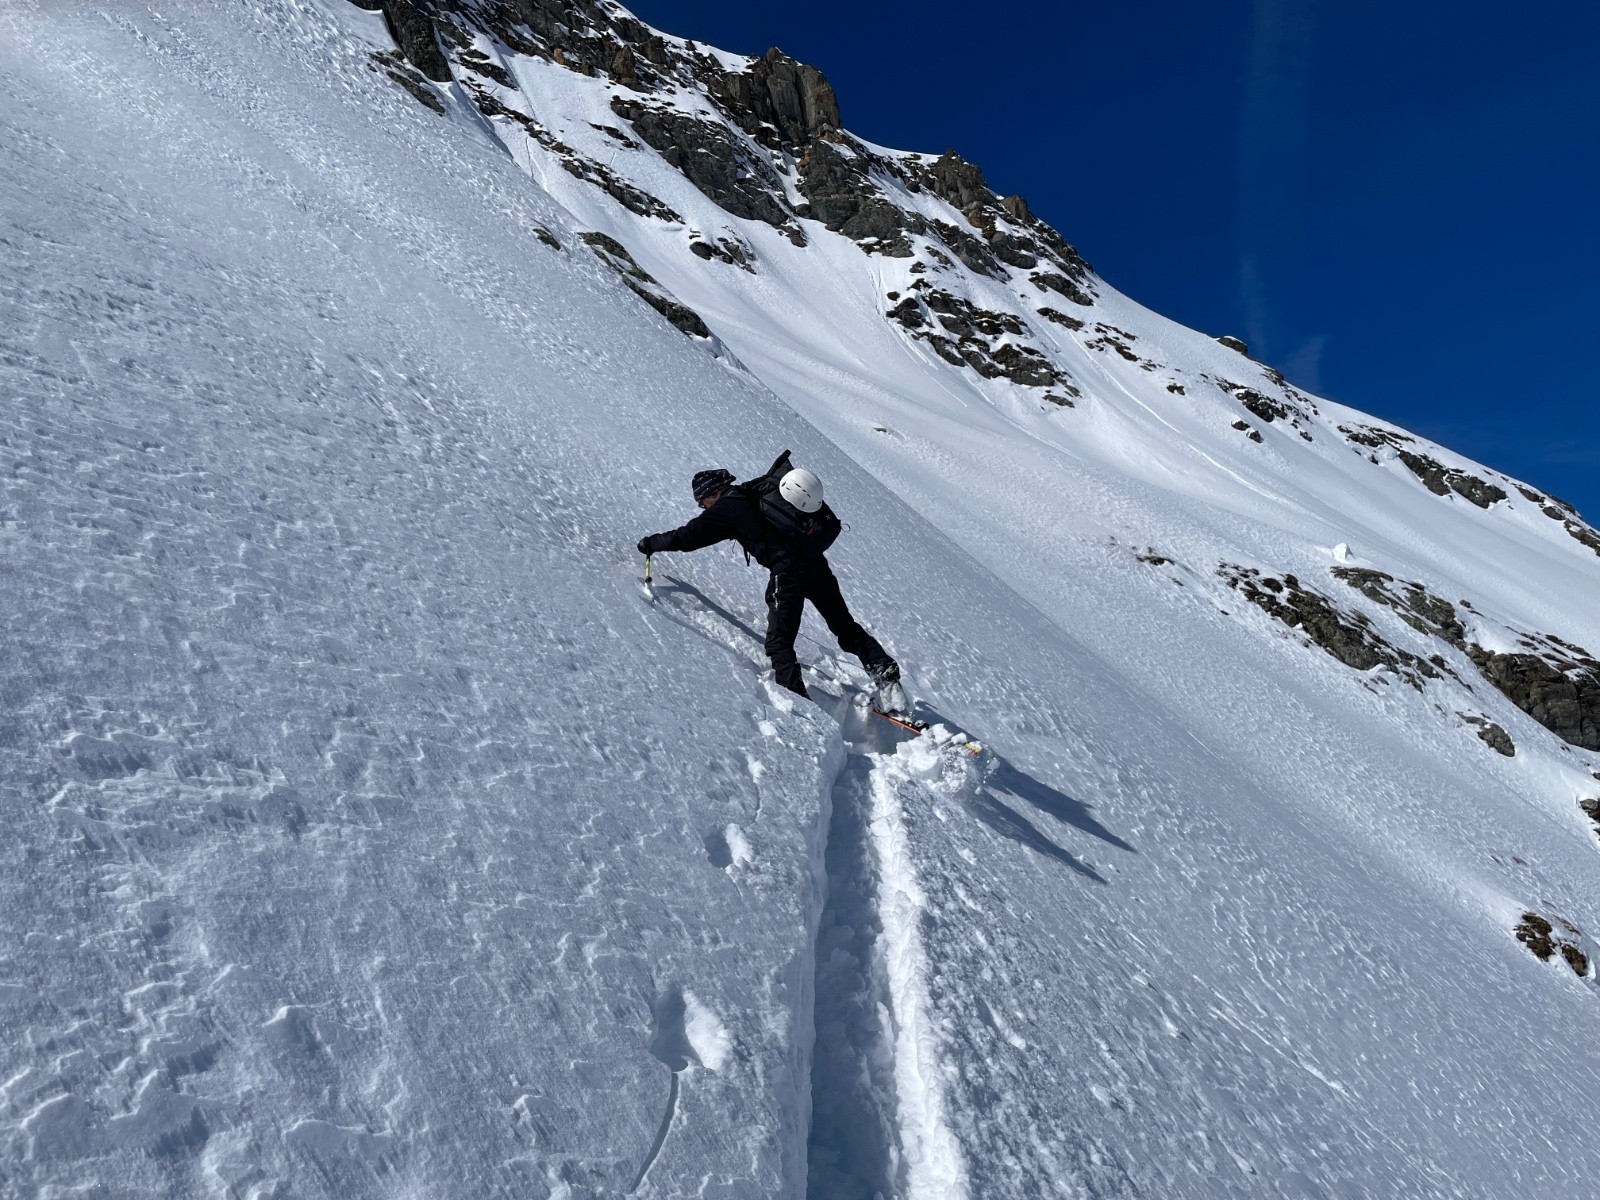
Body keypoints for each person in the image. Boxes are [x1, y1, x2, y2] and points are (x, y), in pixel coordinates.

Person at [637, 454, 900, 702]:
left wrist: (651, 543)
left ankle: (799, 702)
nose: (701, 507)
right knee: (844, 626)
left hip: (788, 575)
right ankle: (886, 677)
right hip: (816, 566)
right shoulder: (752, 492)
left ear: (712, 493)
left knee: (779, 643)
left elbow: (687, 537)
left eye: (701, 501)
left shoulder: (726, 509)